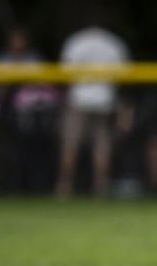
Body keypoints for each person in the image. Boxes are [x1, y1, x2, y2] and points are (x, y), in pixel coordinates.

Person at [55, 25, 129, 198]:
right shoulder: (114, 43)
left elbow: (65, 72)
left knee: (71, 144)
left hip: (79, 98)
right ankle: (99, 188)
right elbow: (123, 75)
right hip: (104, 99)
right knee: (101, 145)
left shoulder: (76, 41)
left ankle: (65, 187)